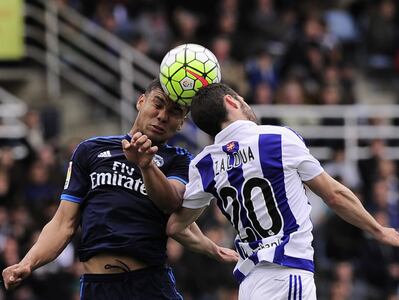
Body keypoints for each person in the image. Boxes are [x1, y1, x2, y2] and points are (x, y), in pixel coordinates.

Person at [167, 83, 399, 300]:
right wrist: (378, 229)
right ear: (232, 101)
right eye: (242, 99)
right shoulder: (277, 138)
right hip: (287, 273)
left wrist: (212, 249)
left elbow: (176, 227)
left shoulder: (204, 163)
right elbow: (334, 195)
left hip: (249, 285)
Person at [2, 79, 238, 299]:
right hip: (98, 288)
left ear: (181, 124)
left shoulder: (178, 160)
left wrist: (145, 166)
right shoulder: (90, 150)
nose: (163, 116)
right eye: (158, 103)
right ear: (141, 101)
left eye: (175, 112)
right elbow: (63, 223)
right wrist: (28, 262)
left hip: (149, 284)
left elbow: (173, 205)